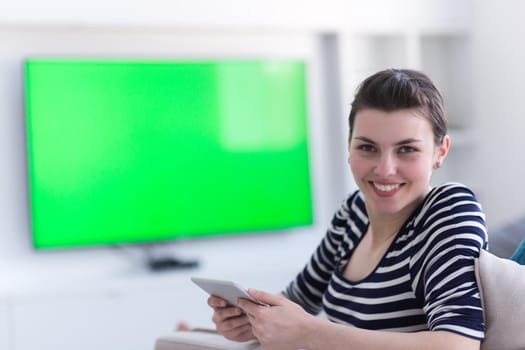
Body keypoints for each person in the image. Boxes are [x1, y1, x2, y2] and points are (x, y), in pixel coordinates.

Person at [207, 68, 488, 350]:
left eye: (406, 149)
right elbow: (296, 302)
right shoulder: (354, 213)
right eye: (367, 147)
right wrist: (248, 320)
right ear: (349, 146)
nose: (385, 169)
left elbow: (458, 344)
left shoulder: (449, 210)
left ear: (440, 152)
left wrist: (310, 332)